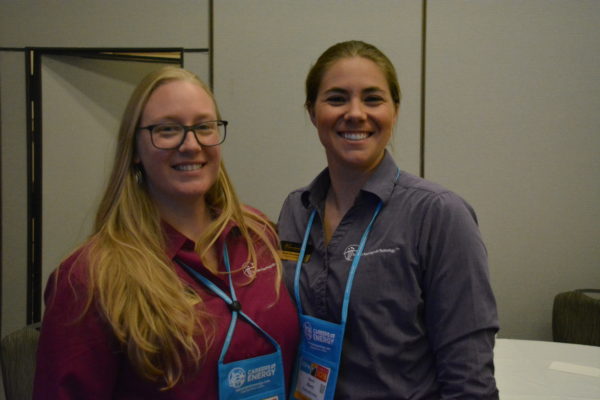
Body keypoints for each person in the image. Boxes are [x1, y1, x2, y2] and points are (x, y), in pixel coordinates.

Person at [33, 67, 299, 399]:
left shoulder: (257, 234)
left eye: (204, 126)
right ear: (134, 151)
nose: (191, 145)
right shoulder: (89, 278)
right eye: (168, 129)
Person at [278, 40, 499, 399]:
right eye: (336, 98)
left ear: (394, 110)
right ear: (311, 111)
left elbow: (469, 377)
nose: (355, 113)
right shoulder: (296, 210)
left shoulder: (439, 215)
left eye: (372, 98)